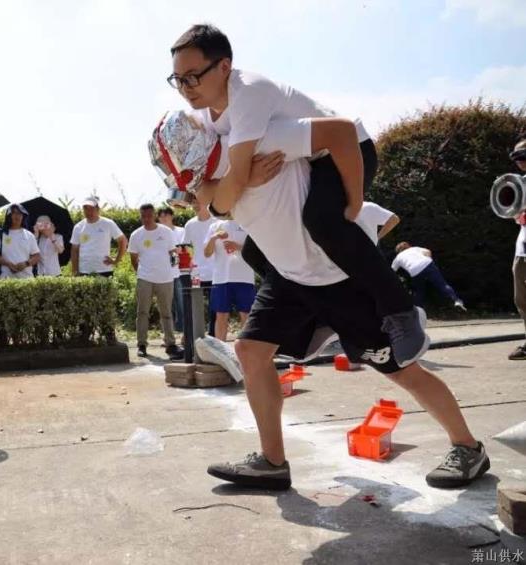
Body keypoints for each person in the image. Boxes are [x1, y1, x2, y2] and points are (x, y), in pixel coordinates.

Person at [202, 116, 488, 491]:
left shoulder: (286, 147)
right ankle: (272, 462)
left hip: (337, 278)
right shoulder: (230, 168)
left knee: (401, 370)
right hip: (288, 276)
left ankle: (468, 448)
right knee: (250, 350)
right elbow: (207, 202)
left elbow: (345, 140)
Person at [168, 23, 425, 368]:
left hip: (347, 148)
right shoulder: (203, 113)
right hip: (309, 157)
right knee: (256, 250)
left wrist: (353, 201)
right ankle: (318, 318)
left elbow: (236, 178)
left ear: (224, 66)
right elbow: (221, 182)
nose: (185, 89)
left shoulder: (247, 94)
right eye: (178, 80)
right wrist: (228, 187)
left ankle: (402, 312)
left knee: (324, 220)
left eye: (192, 77)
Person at [128, 203, 184, 360]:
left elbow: (173, 252)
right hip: (145, 278)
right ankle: (142, 345)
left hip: (165, 278)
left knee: (166, 313)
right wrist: (141, 273)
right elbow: (133, 259)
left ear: (154, 215)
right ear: (140, 216)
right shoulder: (136, 235)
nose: (146, 219)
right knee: (142, 312)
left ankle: (170, 344)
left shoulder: (166, 232)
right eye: (143, 216)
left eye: (149, 215)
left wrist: (174, 264)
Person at [203, 219, 256, 341]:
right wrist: (214, 238)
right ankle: (220, 349)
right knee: (221, 315)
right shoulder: (215, 226)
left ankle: (247, 348)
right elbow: (207, 253)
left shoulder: (247, 223)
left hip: (244, 277)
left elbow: (257, 249)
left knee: (246, 315)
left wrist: (237, 246)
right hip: (221, 278)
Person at [392, 242, 466, 311]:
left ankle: (418, 310)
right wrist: (429, 259)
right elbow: (428, 251)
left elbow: (392, 270)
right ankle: (456, 300)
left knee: (419, 291)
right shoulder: (414, 248)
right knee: (442, 284)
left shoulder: (398, 257)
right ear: (408, 246)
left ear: (398, 251)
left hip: (414, 271)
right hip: (427, 264)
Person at [182, 199, 219, 335]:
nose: (195, 205)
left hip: (216, 272)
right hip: (196, 272)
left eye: (198, 202)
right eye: (193, 203)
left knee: (215, 306)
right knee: (196, 306)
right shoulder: (189, 224)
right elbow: (184, 246)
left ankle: (213, 335)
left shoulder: (217, 222)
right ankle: (195, 335)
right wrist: (188, 261)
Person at [70, 196, 127, 277]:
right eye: (85, 208)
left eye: (91, 208)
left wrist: (116, 260)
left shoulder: (108, 223)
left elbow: (123, 241)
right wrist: (75, 271)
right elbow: (74, 250)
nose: (88, 211)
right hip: (84, 271)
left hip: (104, 270)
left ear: (98, 209)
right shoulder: (78, 227)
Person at [508, 136, 526, 360]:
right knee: (521, 298)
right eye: (516, 156)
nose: (519, 161)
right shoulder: (519, 183)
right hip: (522, 249)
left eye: (523, 155)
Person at [0, 203, 41, 279]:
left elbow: (37, 256)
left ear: (23, 216)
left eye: (19, 213)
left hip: (27, 280)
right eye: (13, 213)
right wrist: (8, 264)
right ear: (8, 216)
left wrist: (26, 264)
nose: (17, 216)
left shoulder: (29, 235)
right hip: (5, 280)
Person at [157, 206, 186, 333]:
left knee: (181, 302)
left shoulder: (181, 231)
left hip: (179, 272)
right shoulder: (156, 232)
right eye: (161, 216)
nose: (164, 218)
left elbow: (184, 249)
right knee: (166, 304)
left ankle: (183, 330)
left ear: (172, 216)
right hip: (162, 273)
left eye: (166, 215)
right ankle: (168, 331)